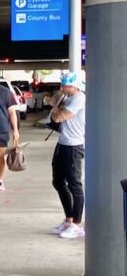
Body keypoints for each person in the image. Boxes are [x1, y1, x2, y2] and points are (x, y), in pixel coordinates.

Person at [49, 72, 86, 239]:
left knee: (74, 185)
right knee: (57, 181)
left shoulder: (79, 98)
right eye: (62, 84)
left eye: (65, 85)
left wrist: (56, 108)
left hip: (74, 145)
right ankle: (69, 219)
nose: (62, 87)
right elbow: (52, 104)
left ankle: (77, 225)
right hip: (62, 143)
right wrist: (59, 98)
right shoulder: (66, 97)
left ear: (75, 86)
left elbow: (58, 117)